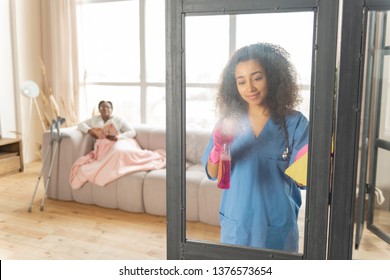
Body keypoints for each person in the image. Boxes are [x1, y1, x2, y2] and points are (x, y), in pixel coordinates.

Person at [202, 43, 309, 252]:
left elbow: (304, 180)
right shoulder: (230, 122)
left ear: (273, 76)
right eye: (241, 81)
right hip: (237, 224)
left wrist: (314, 156)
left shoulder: (295, 123)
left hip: (277, 226)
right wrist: (218, 146)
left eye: (257, 78)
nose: (249, 88)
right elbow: (213, 174)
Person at [70, 100, 165, 189]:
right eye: (102, 107)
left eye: (108, 107)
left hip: (120, 142)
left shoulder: (118, 119)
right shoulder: (94, 120)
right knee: (115, 152)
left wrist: (118, 137)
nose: (105, 109)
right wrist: (90, 131)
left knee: (119, 151)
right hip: (103, 146)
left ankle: (150, 157)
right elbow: (80, 124)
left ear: (111, 109)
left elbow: (132, 132)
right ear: (99, 110)